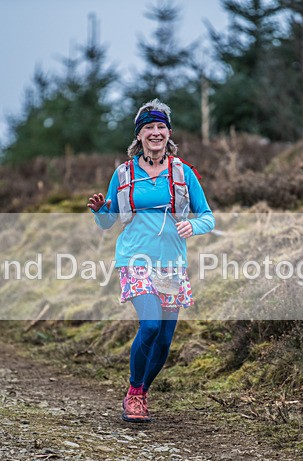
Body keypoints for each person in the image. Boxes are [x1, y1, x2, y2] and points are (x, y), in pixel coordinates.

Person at [87, 99, 215, 423]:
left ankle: (143, 392)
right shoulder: (124, 173)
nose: (155, 133)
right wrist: (101, 210)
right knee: (151, 323)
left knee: (165, 339)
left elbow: (208, 217)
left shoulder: (183, 173)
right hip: (135, 259)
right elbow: (108, 222)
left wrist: (193, 225)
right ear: (139, 136)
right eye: (148, 128)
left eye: (160, 127)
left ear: (168, 133)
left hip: (172, 263)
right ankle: (133, 391)